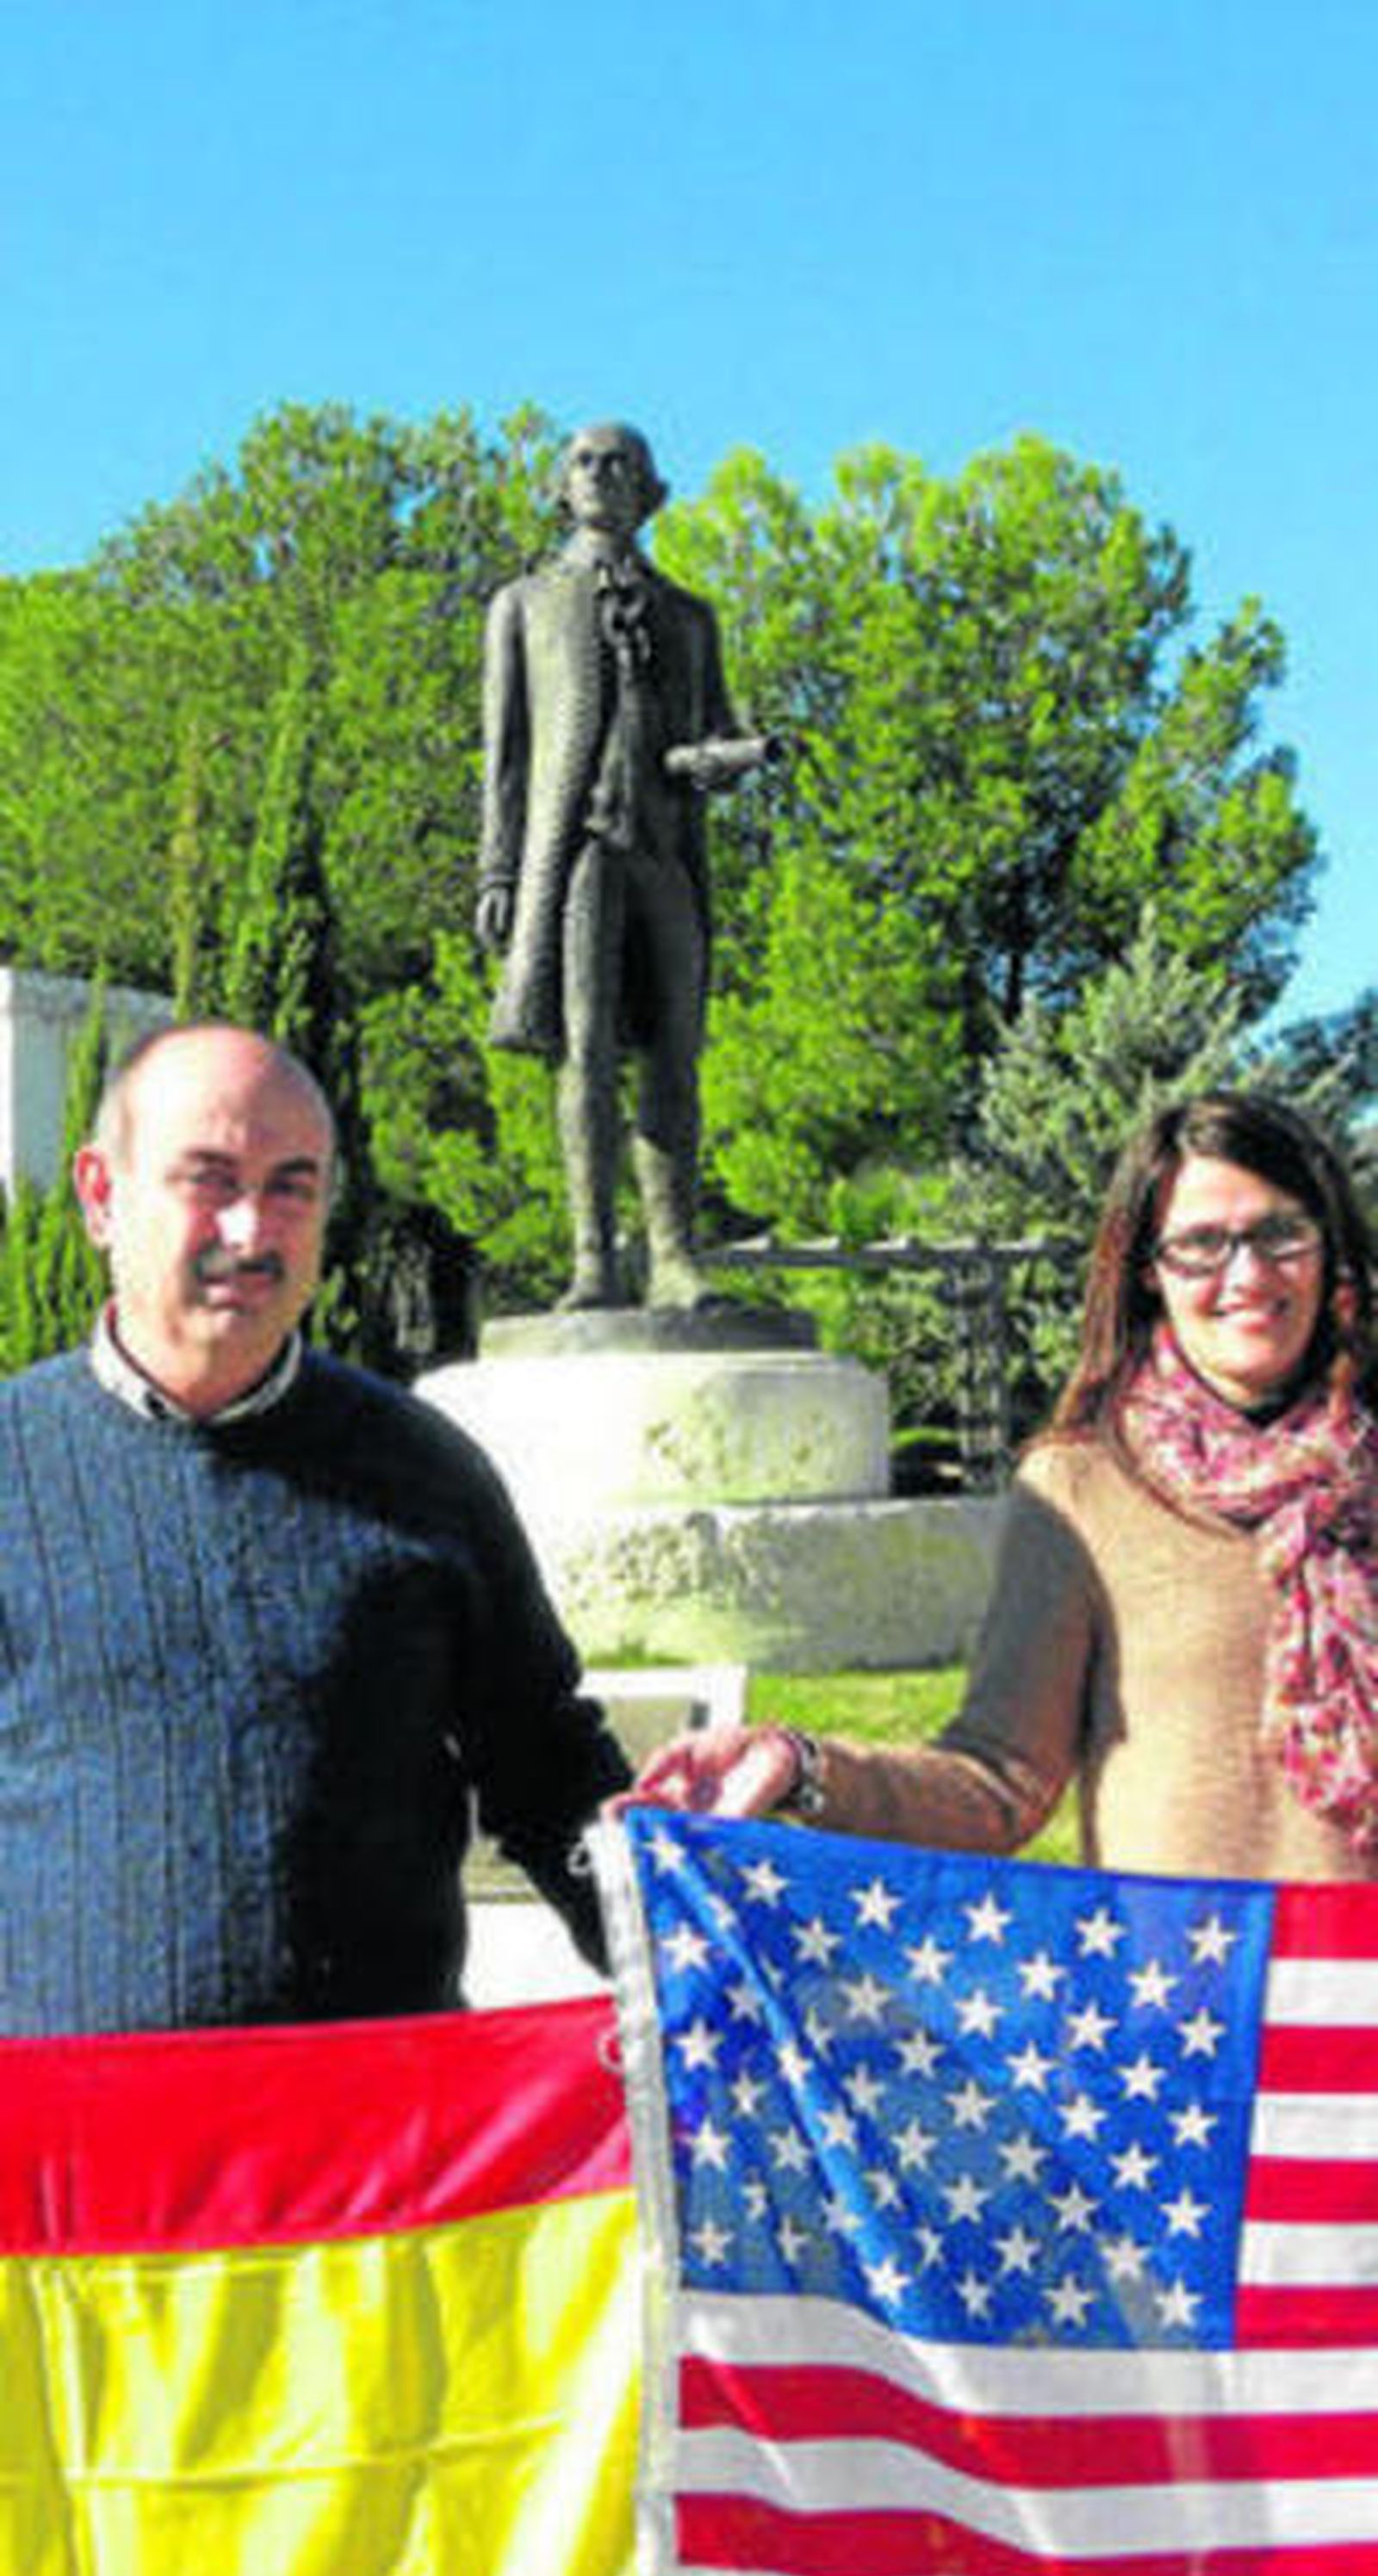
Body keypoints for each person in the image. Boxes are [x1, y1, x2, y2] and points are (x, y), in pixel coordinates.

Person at [0, 1020, 628, 2034]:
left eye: (292, 1184)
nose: (253, 1229)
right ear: (101, 1195)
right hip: (67, 2166)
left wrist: (700, 1963)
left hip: (374, 2160)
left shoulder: (428, 1474)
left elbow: (548, 1767)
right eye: (208, 1177)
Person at [629, 1091, 1378, 1881]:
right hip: (1191, 1994)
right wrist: (800, 1765)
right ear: (1148, 1270)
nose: (1248, 1273)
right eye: (1201, 1243)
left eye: (1281, 1232)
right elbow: (997, 1780)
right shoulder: (1080, 1488)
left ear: (1328, 1247)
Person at [477, 419, 773, 1311]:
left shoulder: (689, 616)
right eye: (584, 462)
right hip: (576, 853)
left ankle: (674, 1258)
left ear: (649, 492)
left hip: (665, 854)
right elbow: (504, 754)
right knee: (585, 1046)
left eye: (621, 464)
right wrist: (497, 872)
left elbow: (705, 734)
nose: (601, 474)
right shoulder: (523, 603)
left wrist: (733, 756)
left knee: (674, 1053)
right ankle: (592, 1258)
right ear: (563, 487)